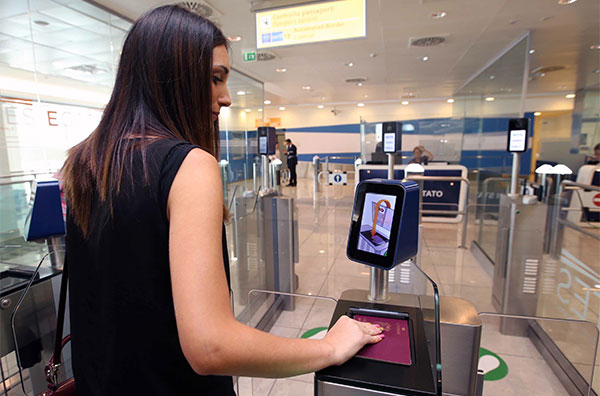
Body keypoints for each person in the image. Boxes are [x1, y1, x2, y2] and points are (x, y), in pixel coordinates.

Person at [60, 5, 382, 396]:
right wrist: (328, 346)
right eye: (215, 79)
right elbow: (210, 346)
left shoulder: (84, 162)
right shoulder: (189, 165)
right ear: (171, 77)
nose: (226, 97)